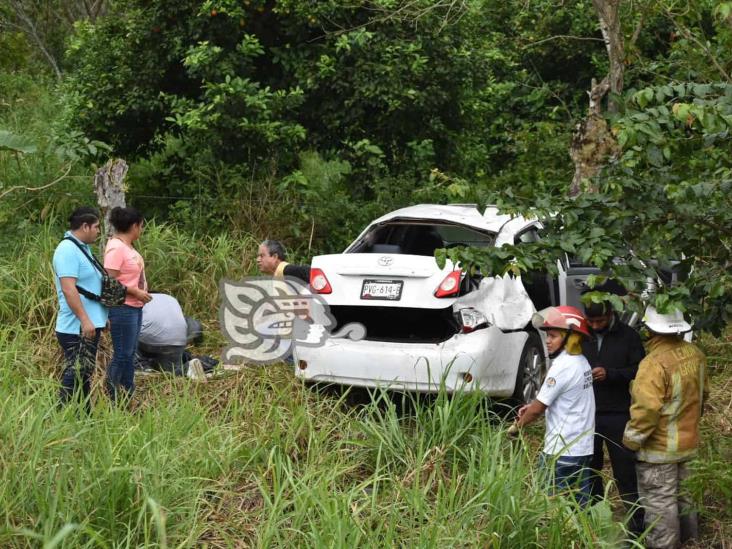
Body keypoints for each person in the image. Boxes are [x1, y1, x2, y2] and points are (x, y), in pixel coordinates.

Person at [623, 306, 708, 548]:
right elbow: (704, 396)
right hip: (689, 444)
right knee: (686, 500)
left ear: (649, 329)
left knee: (661, 507)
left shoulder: (653, 363)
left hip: (659, 452)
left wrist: (631, 441)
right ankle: (692, 543)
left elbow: (645, 411)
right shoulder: (696, 354)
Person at [513, 306, 595, 506]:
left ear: (571, 338)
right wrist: (535, 405)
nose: (548, 341)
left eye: (554, 336)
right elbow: (559, 398)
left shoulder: (562, 366)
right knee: (579, 507)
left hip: (561, 450)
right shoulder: (581, 362)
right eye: (547, 335)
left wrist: (516, 427)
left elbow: (537, 410)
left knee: (548, 506)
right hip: (582, 448)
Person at [582, 300, 645, 534]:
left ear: (611, 314)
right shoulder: (580, 335)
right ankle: (597, 522)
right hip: (587, 414)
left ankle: (636, 526)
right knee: (590, 469)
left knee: (625, 472)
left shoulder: (628, 336)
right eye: (591, 321)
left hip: (618, 413)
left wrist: (611, 374)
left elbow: (639, 369)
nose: (595, 325)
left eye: (600, 321)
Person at [52, 207, 109, 409]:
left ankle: (83, 416)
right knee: (75, 373)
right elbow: (69, 290)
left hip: (88, 324)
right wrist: (85, 319)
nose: (98, 231)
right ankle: (60, 415)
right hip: (75, 327)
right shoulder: (67, 250)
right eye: (95, 227)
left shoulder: (81, 248)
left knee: (83, 372)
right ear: (84, 226)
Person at [104, 206, 152, 402]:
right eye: (141, 226)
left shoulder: (128, 247)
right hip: (123, 308)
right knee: (123, 353)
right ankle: (112, 392)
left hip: (135, 306)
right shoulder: (116, 247)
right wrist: (135, 291)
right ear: (134, 226)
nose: (141, 230)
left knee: (130, 353)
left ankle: (127, 393)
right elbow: (110, 280)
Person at [136, 292, 208, 377]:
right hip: (176, 341)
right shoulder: (169, 298)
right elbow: (193, 324)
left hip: (149, 340)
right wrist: (197, 342)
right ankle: (194, 365)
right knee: (172, 368)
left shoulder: (138, 298)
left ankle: (140, 365)